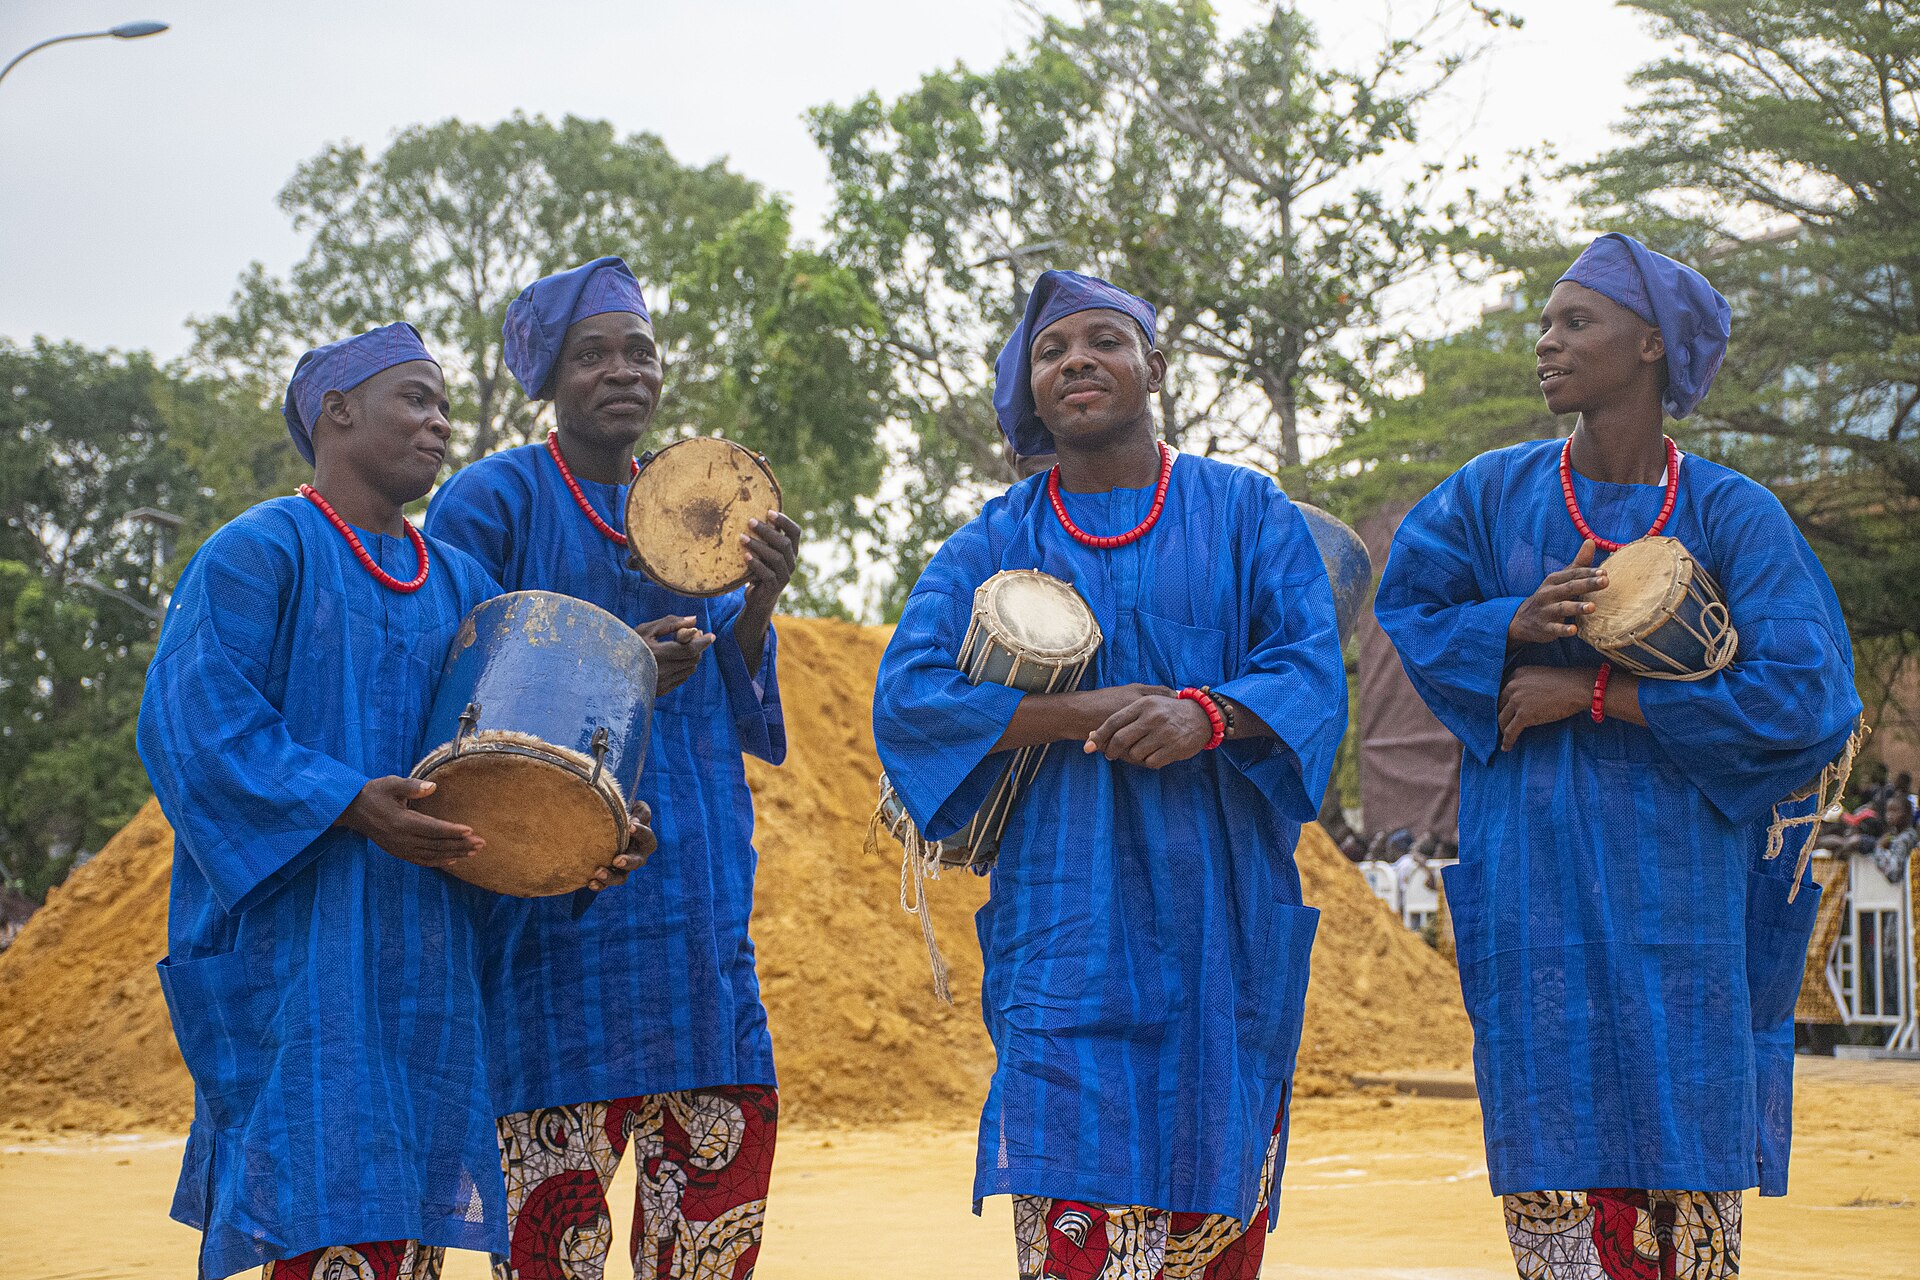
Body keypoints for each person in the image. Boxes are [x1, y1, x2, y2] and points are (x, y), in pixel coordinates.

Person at [1375, 233, 1863, 1279]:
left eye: (1573, 321)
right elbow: (1405, 605)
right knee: (1553, 1185)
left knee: (1685, 1189)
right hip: (1534, 898)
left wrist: (1596, 690)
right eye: (1544, 323)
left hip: (1688, 902)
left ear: (1649, 345)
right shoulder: (1489, 495)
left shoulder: (1733, 512)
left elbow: (1810, 695)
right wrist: (1511, 619)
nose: (1545, 341)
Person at [138, 324, 653, 1280]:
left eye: (446, 406)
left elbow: (506, 764)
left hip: (427, 963)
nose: (439, 423)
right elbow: (190, 726)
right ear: (335, 411)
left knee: (405, 1226)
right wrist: (345, 800)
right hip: (303, 955)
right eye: (416, 399)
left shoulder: (463, 585)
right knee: (325, 1206)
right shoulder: (258, 552)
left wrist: (585, 835)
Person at [873, 270, 1347, 1279]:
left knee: (1213, 1228)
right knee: (1071, 1227)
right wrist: (1082, 708)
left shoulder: (1249, 512)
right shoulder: (993, 538)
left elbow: (1309, 665)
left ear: (1155, 367)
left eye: (1104, 341)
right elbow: (907, 699)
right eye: (1052, 350)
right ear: (1031, 388)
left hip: (1222, 933)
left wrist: (1205, 713)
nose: (1077, 361)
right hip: (1064, 939)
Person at [426, 257, 796, 1280]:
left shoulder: (691, 498)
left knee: (710, 1248)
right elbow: (457, 688)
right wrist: (620, 668)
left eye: (639, 350)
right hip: (554, 934)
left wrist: (757, 595)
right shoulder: (492, 501)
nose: (622, 370)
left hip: (697, 925)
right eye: (592, 354)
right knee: (552, 1253)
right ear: (549, 373)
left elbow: (734, 687)